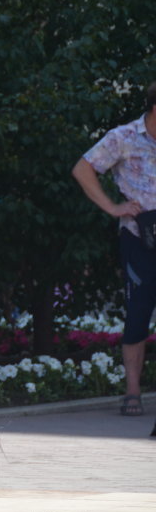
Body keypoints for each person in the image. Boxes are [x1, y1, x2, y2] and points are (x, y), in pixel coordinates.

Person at [72, 81, 156, 417]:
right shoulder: (124, 137)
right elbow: (83, 169)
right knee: (137, 315)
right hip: (139, 237)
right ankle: (132, 391)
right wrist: (112, 206)